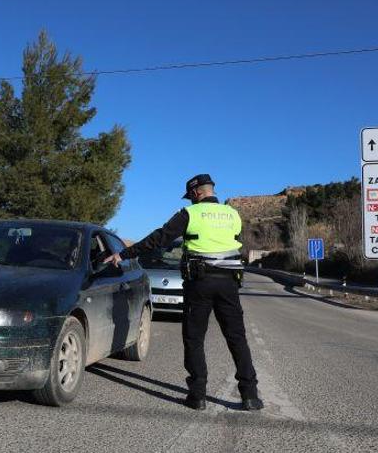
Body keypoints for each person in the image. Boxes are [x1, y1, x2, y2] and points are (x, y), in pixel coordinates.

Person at [104, 174, 263, 411]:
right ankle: (250, 396)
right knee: (237, 338)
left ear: (197, 193)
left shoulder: (191, 214)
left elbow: (159, 238)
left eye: (191, 196)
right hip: (229, 283)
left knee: (194, 338)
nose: (190, 200)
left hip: (199, 283)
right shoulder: (233, 214)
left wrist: (124, 254)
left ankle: (197, 396)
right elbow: (233, 244)